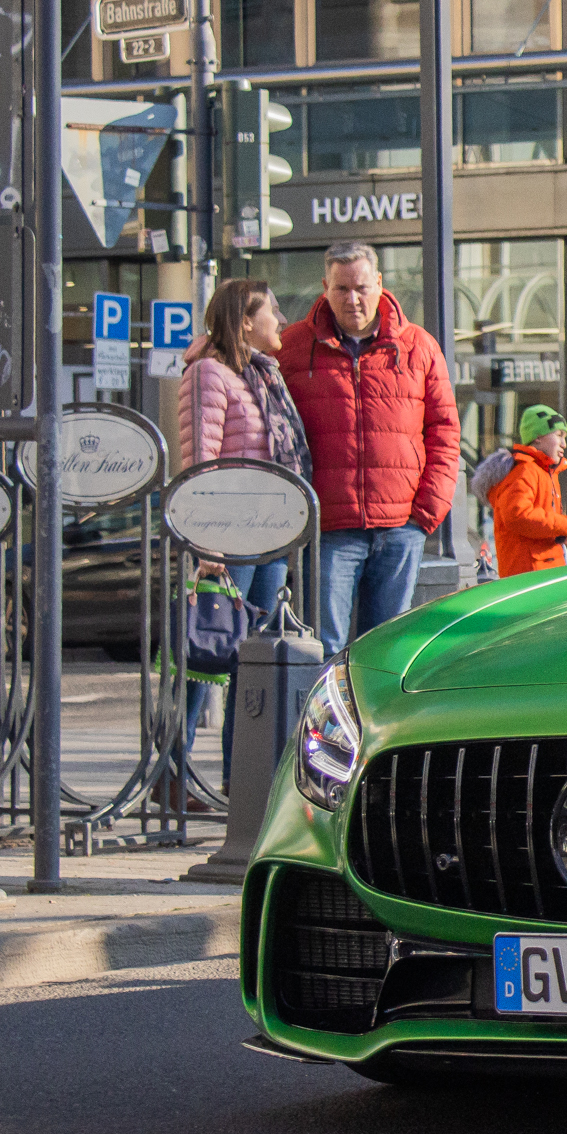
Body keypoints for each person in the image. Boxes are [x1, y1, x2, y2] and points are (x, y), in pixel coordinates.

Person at [279, 242, 461, 651]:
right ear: (325, 287)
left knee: (386, 652)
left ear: (379, 283)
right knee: (325, 647)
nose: (353, 299)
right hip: (328, 528)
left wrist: (427, 512)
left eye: (361, 287)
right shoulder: (292, 346)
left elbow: (445, 431)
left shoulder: (418, 346)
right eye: (341, 289)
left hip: (401, 526)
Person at [176, 277, 310, 776]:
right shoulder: (208, 373)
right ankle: (175, 773)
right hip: (229, 539)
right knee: (204, 660)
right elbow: (199, 460)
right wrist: (205, 541)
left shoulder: (263, 376)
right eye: (272, 310)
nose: (281, 319)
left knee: (253, 661)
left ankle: (241, 779)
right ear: (245, 321)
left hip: (270, 538)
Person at [490, 406, 567, 578]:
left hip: (541, 573)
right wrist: (565, 526)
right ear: (537, 437)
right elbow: (518, 515)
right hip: (530, 576)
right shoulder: (525, 470)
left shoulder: (544, 472)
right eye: (559, 435)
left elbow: (544, 523)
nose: (564, 444)